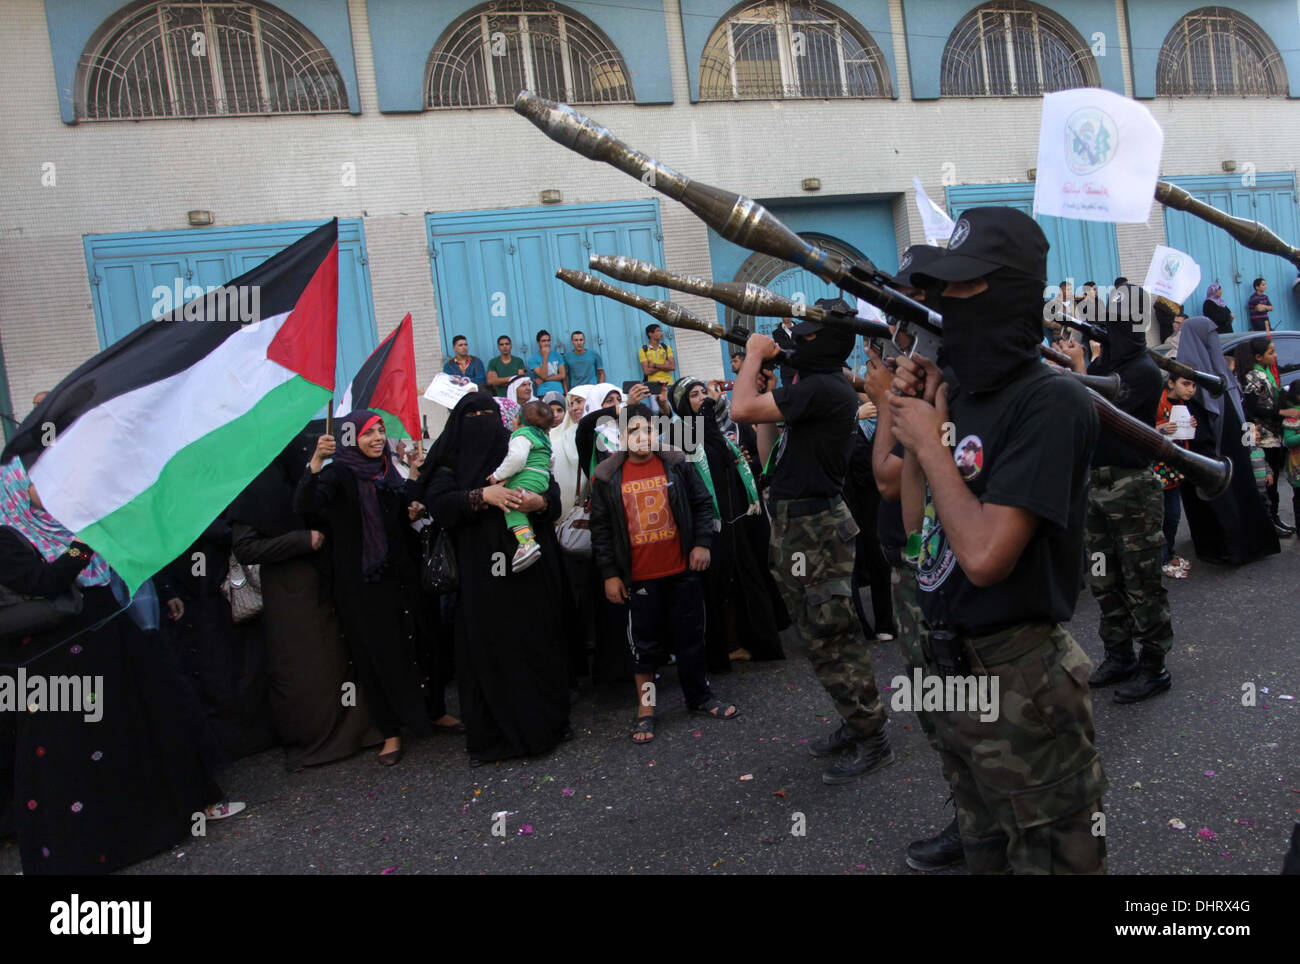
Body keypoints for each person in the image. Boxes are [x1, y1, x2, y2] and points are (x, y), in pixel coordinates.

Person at [890, 207, 1107, 874]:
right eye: (942, 291)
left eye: (963, 288)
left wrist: (930, 441)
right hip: (951, 668)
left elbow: (984, 557)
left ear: (1009, 292)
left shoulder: (1050, 402)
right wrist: (921, 430)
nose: (947, 304)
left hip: (1020, 680)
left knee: (1047, 858)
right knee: (983, 851)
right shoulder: (964, 393)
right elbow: (917, 531)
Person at [0, 459, 229, 874]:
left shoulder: (58, 522)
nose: (49, 488)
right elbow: (43, 581)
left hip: (103, 640)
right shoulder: (8, 533)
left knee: (125, 731)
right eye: (37, 481)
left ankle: (147, 829)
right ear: (14, 486)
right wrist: (82, 543)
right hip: (55, 663)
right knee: (74, 752)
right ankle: (91, 849)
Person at [732, 314, 894, 786]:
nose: (794, 348)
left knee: (834, 634)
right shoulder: (816, 386)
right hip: (797, 522)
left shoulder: (824, 387)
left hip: (815, 528)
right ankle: (855, 718)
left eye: (803, 342)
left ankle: (873, 736)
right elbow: (765, 446)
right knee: (816, 634)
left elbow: (740, 410)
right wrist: (763, 381)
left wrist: (756, 355)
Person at [419, 392, 571, 765]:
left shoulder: (517, 448)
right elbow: (439, 506)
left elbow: (550, 490)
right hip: (481, 579)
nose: (483, 421)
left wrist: (541, 503)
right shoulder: (448, 463)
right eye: (473, 415)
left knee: (535, 643)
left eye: (489, 413)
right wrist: (480, 495)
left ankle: (546, 724)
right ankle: (496, 737)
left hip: (529, 568)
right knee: (490, 652)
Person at [229, 430, 389, 770]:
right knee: (307, 668)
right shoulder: (258, 493)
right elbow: (246, 548)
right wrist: (300, 541)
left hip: (325, 582)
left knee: (338, 659)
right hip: (290, 594)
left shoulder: (309, 481)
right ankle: (319, 737)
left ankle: (356, 731)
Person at [589, 403, 736, 743]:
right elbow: (601, 530)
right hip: (638, 578)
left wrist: (701, 543)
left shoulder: (677, 463)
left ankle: (699, 698)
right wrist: (610, 573)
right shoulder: (607, 475)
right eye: (632, 430)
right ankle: (647, 711)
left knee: (690, 639)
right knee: (645, 648)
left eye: (647, 429)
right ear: (622, 437)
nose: (641, 436)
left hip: (681, 570)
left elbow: (702, 503)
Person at [294, 411, 433, 765]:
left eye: (380, 432)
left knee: (419, 641)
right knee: (374, 655)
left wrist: (413, 500)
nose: (376, 439)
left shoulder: (388, 470)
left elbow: (403, 509)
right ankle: (390, 731)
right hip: (361, 584)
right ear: (349, 438)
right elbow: (306, 508)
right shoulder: (337, 474)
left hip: (401, 575)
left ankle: (432, 712)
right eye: (368, 433)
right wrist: (315, 461)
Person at [1058, 284, 1174, 703]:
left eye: (1110, 329)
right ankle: (1119, 654)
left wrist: (1076, 371)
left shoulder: (1142, 369)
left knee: (1141, 580)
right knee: (1106, 578)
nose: (1103, 335)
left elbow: (1103, 401)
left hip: (1132, 489)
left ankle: (1154, 665)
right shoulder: (1109, 361)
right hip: (1097, 487)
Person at [669, 377, 784, 670]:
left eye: (702, 393)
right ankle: (723, 649)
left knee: (745, 582)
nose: (701, 399)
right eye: (694, 396)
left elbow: (727, 463)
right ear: (682, 403)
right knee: (715, 590)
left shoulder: (714, 429)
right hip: (707, 527)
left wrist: (737, 461)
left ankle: (751, 642)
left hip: (735, 522)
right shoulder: (678, 434)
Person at [1174, 317, 1280, 564]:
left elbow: (1239, 410)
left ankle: (1252, 545)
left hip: (1236, 452)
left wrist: (1248, 448)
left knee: (1244, 496)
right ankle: (1225, 549)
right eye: (1209, 337)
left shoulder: (1221, 372)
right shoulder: (1188, 377)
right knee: (1221, 506)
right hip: (1209, 454)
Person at [1235, 336, 1298, 535]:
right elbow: (1253, 407)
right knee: (1266, 480)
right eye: (1271, 352)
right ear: (1259, 357)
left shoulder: (1267, 374)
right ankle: (1269, 521)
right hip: (1261, 435)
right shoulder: (1254, 376)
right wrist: (1282, 413)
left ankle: (1275, 517)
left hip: (1272, 433)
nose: (1276, 355)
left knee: (1273, 478)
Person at [487, 399, 555, 572]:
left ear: (518, 420)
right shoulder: (544, 438)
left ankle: (526, 543)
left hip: (526, 478)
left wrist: (497, 475)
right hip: (542, 479)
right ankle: (529, 536)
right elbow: (551, 459)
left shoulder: (521, 435)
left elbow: (516, 459)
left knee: (511, 507)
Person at [1154, 375, 1199, 578]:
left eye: (1194, 385)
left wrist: (1191, 425)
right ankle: (1163, 559)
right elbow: (1140, 428)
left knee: (1172, 516)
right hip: (1158, 469)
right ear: (1171, 383)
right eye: (1186, 384)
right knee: (1164, 516)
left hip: (1174, 468)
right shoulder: (1157, 402)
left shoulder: (1182, 404)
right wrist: (1159, 428)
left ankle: (1168, 554)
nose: (1191, 389)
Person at [528, 330, 566, 396]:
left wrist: (544, 380)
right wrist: (545, 356)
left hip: (559, 390)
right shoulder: (533, 359)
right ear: (538, 343)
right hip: (543, 392)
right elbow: (543, 375)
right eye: (543, 341)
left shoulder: (557, 355)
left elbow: (562, 375)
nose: (546, 343)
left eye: (548, 340)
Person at [638, 324, 676, 389]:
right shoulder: (643, 350)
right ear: (650, 334)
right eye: (658, 331)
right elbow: (646, 371)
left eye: (661, 331)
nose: (661, 333)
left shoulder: (666, 348)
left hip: (668, 383)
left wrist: (654, 365)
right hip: (653, 385)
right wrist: (665, 365)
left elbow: (672, 367)